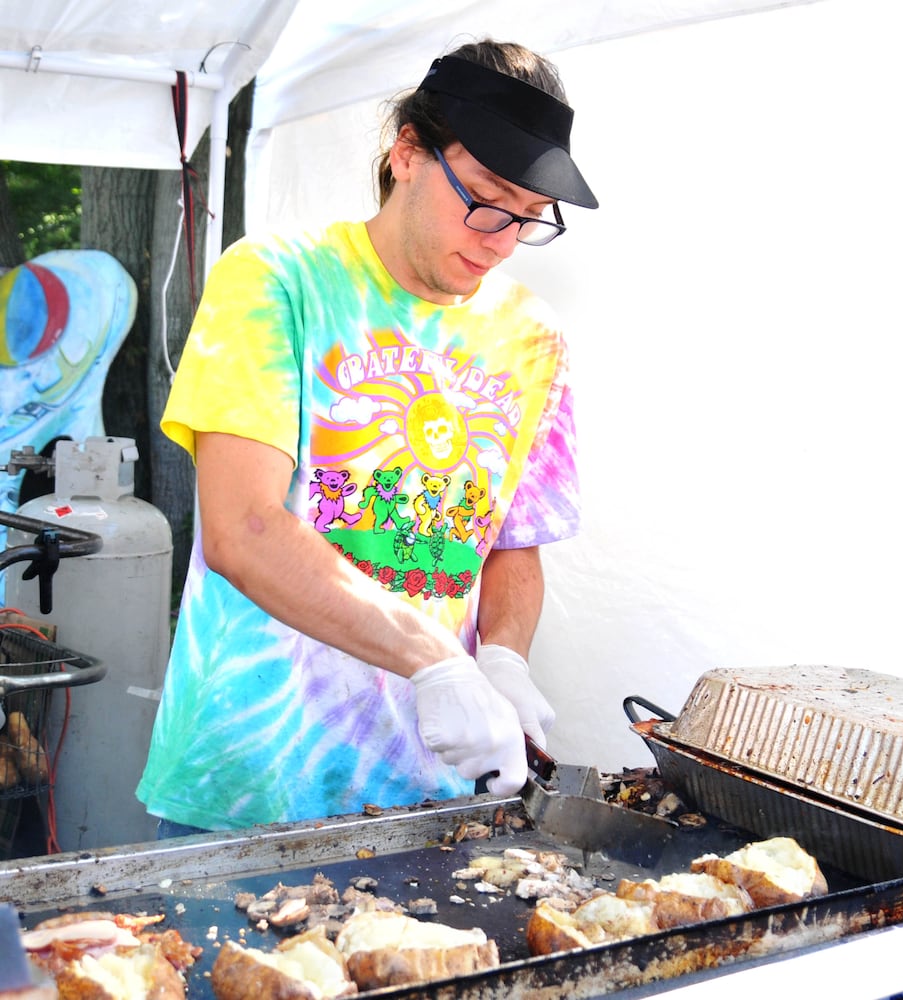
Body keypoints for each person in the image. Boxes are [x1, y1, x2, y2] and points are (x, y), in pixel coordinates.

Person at [135, 38, 598, 834]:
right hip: (253, 781)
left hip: (428, 793)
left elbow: (515, 543)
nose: (499, 238)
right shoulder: (277, 279)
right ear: (408, 152)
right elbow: (243, 529)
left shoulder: (532, 338)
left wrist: (503, 658)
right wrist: (433, 658)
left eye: (527, 218)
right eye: (486, 197)